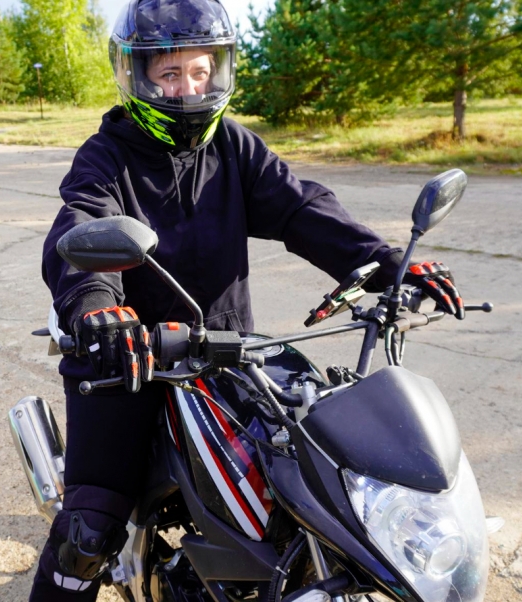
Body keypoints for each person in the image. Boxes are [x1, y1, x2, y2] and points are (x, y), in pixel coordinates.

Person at [31, 0, 465, 599]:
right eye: (170, 73)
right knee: (89, 532)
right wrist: (97, 306)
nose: (188, 88)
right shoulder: (107, 156)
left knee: (306, 481)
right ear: (138, 75)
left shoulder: (233, 146)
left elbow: (300, 207)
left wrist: (391, 265)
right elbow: (80, 223)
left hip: (226, 353)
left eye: (201, 71)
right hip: (128, 359)